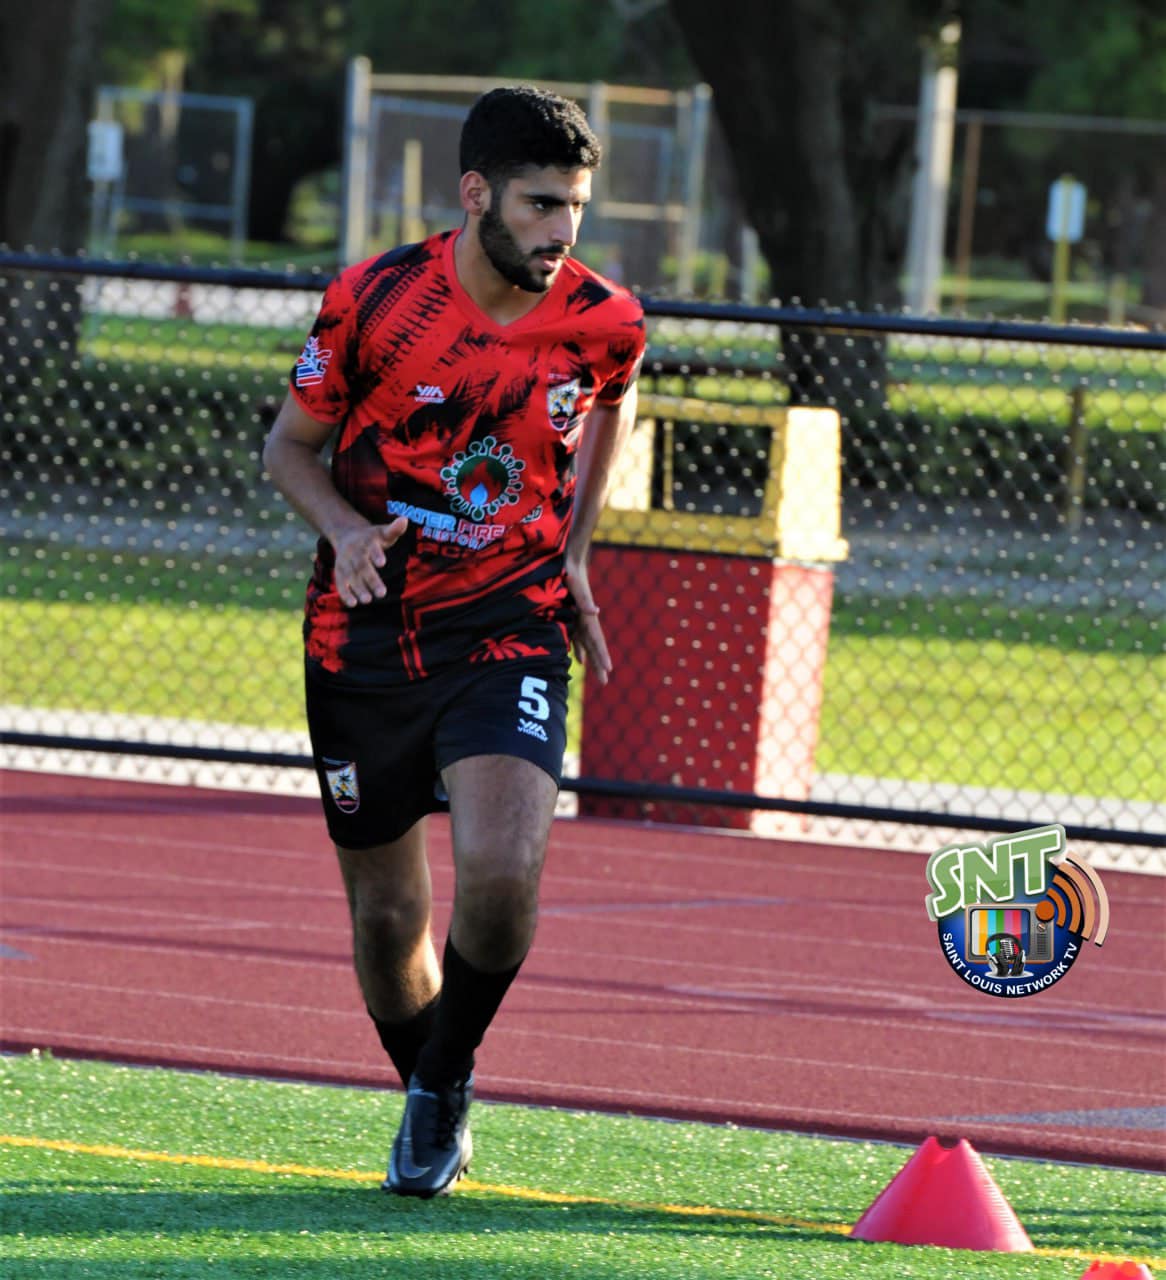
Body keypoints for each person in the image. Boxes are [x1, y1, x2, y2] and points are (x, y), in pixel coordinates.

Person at [262, 85, 645, 1198]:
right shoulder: (374, 300)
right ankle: (434, 1084)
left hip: (508, 625)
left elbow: (614, 397)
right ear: (475, 193)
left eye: (575, 206)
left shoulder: (606, 317)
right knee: (390, 917)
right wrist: (345, 532)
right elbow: (288, 448)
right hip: (365, 636)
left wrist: (577, 550)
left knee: (503, 872)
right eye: (539, 204)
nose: (562, 229)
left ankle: (442, 1078)